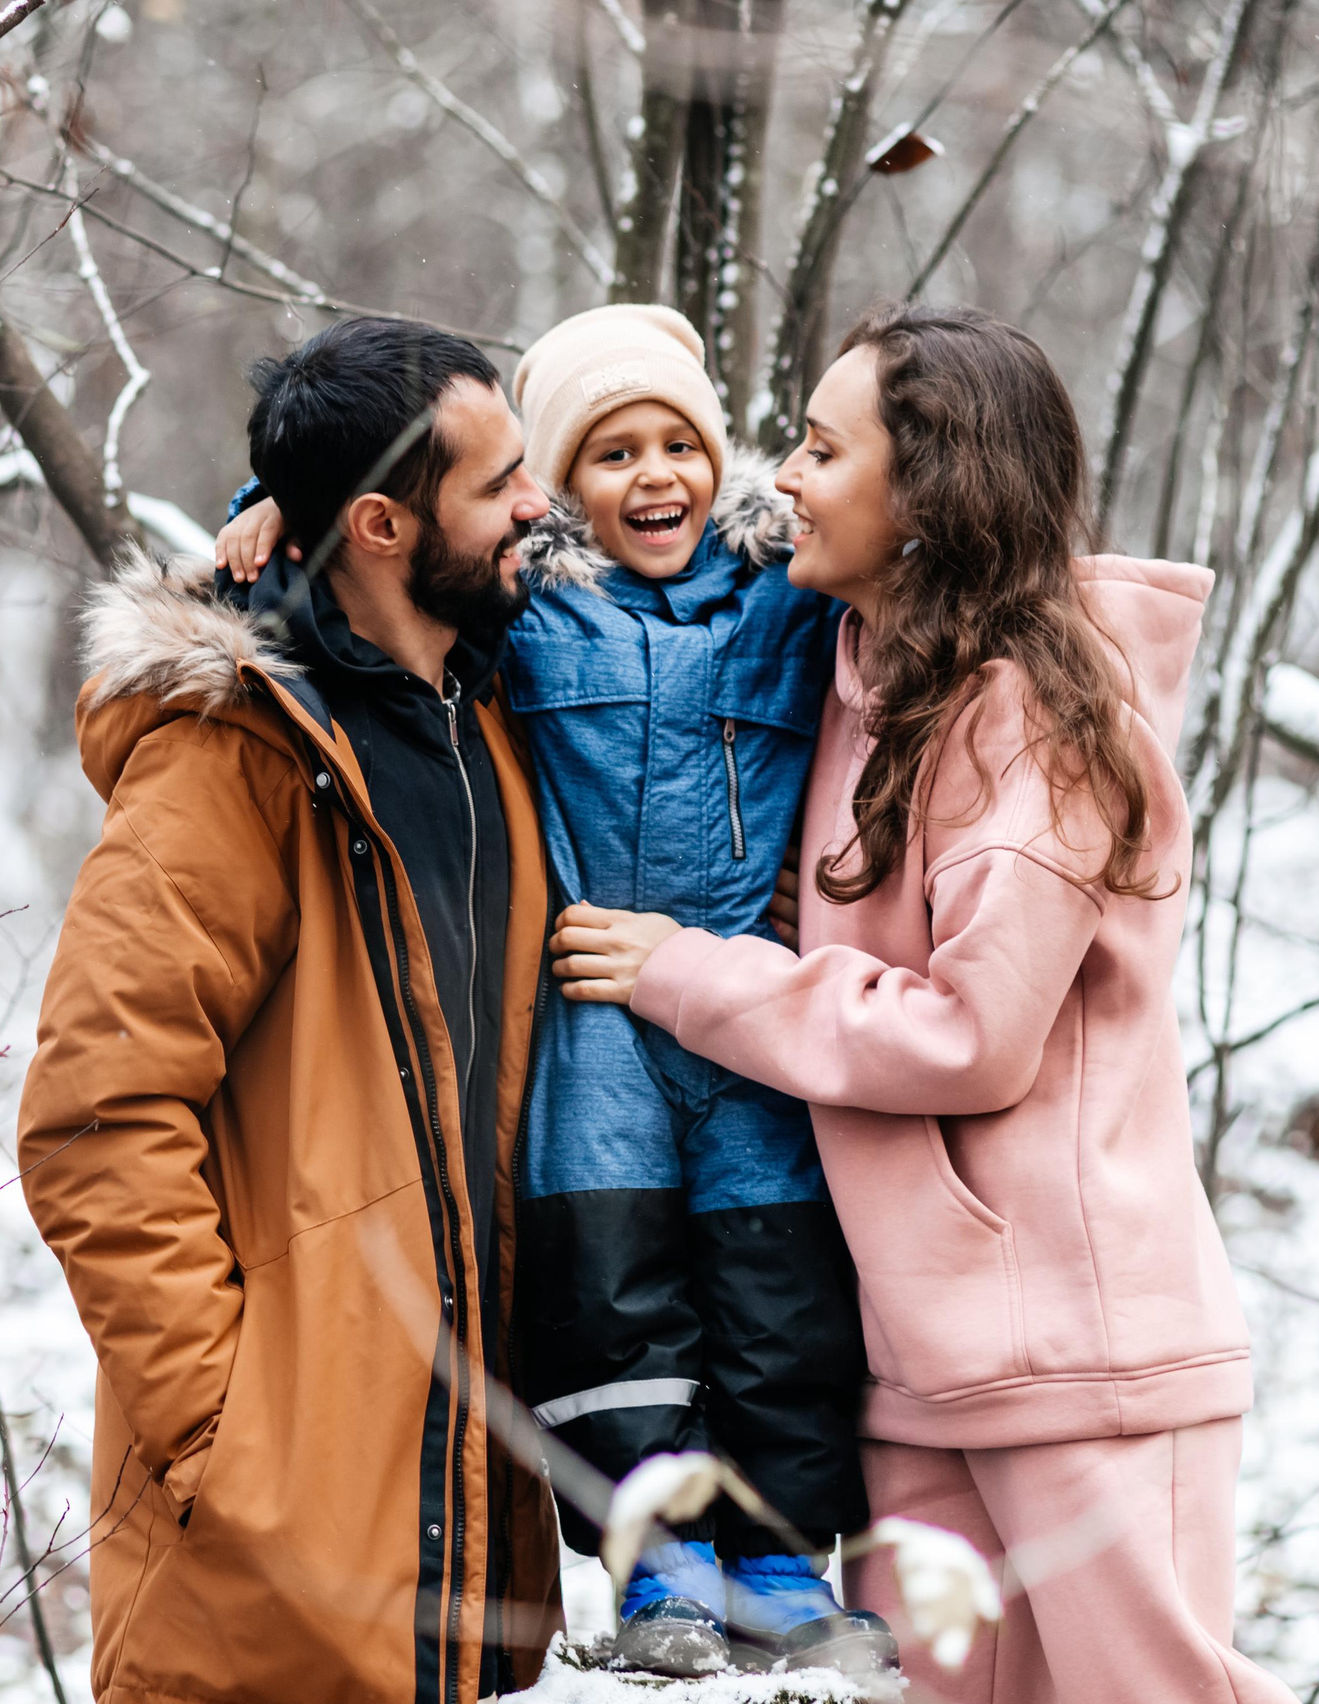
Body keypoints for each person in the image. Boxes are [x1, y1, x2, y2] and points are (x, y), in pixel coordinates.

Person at [548, 304, 1298, 1703]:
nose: (782, 475)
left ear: (929, 496)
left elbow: (974, 1038)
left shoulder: (1042, 718)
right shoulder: (858, 675)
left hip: (1080, 1364)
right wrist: (278, 524)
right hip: (915, 1364)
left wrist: (691, 974)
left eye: (823, 450)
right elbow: (550, 546)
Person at [216, 304, 887, 1679]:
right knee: (610, 1292)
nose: (655, 477)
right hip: (595, 1015)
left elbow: (916, 553)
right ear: (562, 484)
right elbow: (375, 563)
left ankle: (779, 1560)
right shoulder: (532, 606)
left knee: (779, 1292)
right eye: (612, 454)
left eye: (678, 445)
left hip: (745, 1000)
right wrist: (268, 511)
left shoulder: (786, 591)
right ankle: (660, 1569)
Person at [16, 316, 562, 1704]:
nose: (539, 503)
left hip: (458, 1532)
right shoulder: (229, 760)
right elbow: (94, 1120)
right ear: (382, 527)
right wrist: (228, 1441)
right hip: (271, 1563)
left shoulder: (494, 707)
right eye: (500, 482)